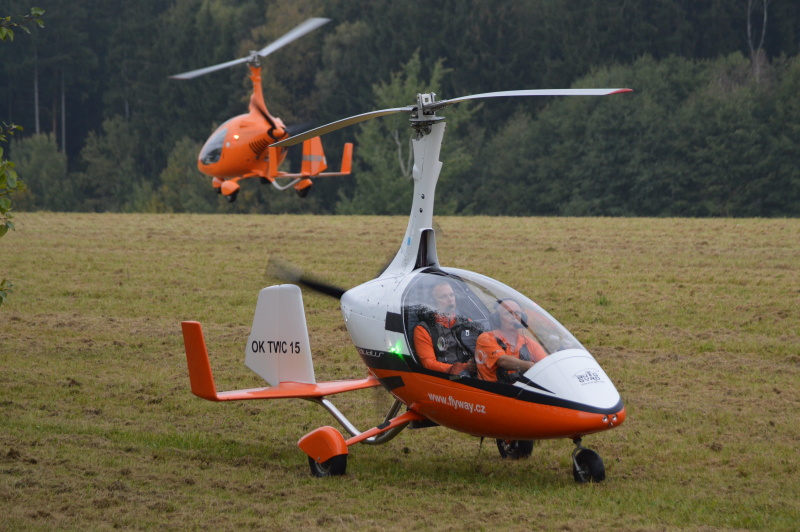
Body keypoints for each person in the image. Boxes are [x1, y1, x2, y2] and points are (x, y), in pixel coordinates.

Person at [412, 279, 477, 376]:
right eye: (443, 297)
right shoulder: (424, 329)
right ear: (432, 303)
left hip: (474, 375)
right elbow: (428, 364)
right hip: (448, 378)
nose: (450, 299)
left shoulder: (467, 323)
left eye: (452, 295)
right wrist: (463, 367)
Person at [475, 298, 547, 383]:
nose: (514, 317)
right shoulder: (486, 338)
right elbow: (503, 361)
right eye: (508, 313)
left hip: (520, 389)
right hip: (493, 389)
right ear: (497, 318)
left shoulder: (529, 343)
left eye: (517, 313)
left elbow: (546, 365)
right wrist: (532, 366)